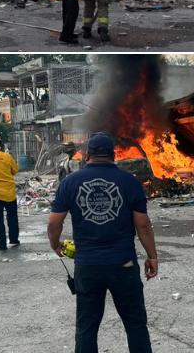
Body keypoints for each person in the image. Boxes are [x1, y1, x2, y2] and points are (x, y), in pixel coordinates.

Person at [48, 132, 158, 353]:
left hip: (87, 265)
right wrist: (152, 256)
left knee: (87, 327)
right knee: (135, 324)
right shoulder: (129, 182)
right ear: (113, 154)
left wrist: (55, 244)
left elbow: (54, 223)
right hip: (123, 265)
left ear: (87, 154)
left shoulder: (70, 182)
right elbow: (143, 225)